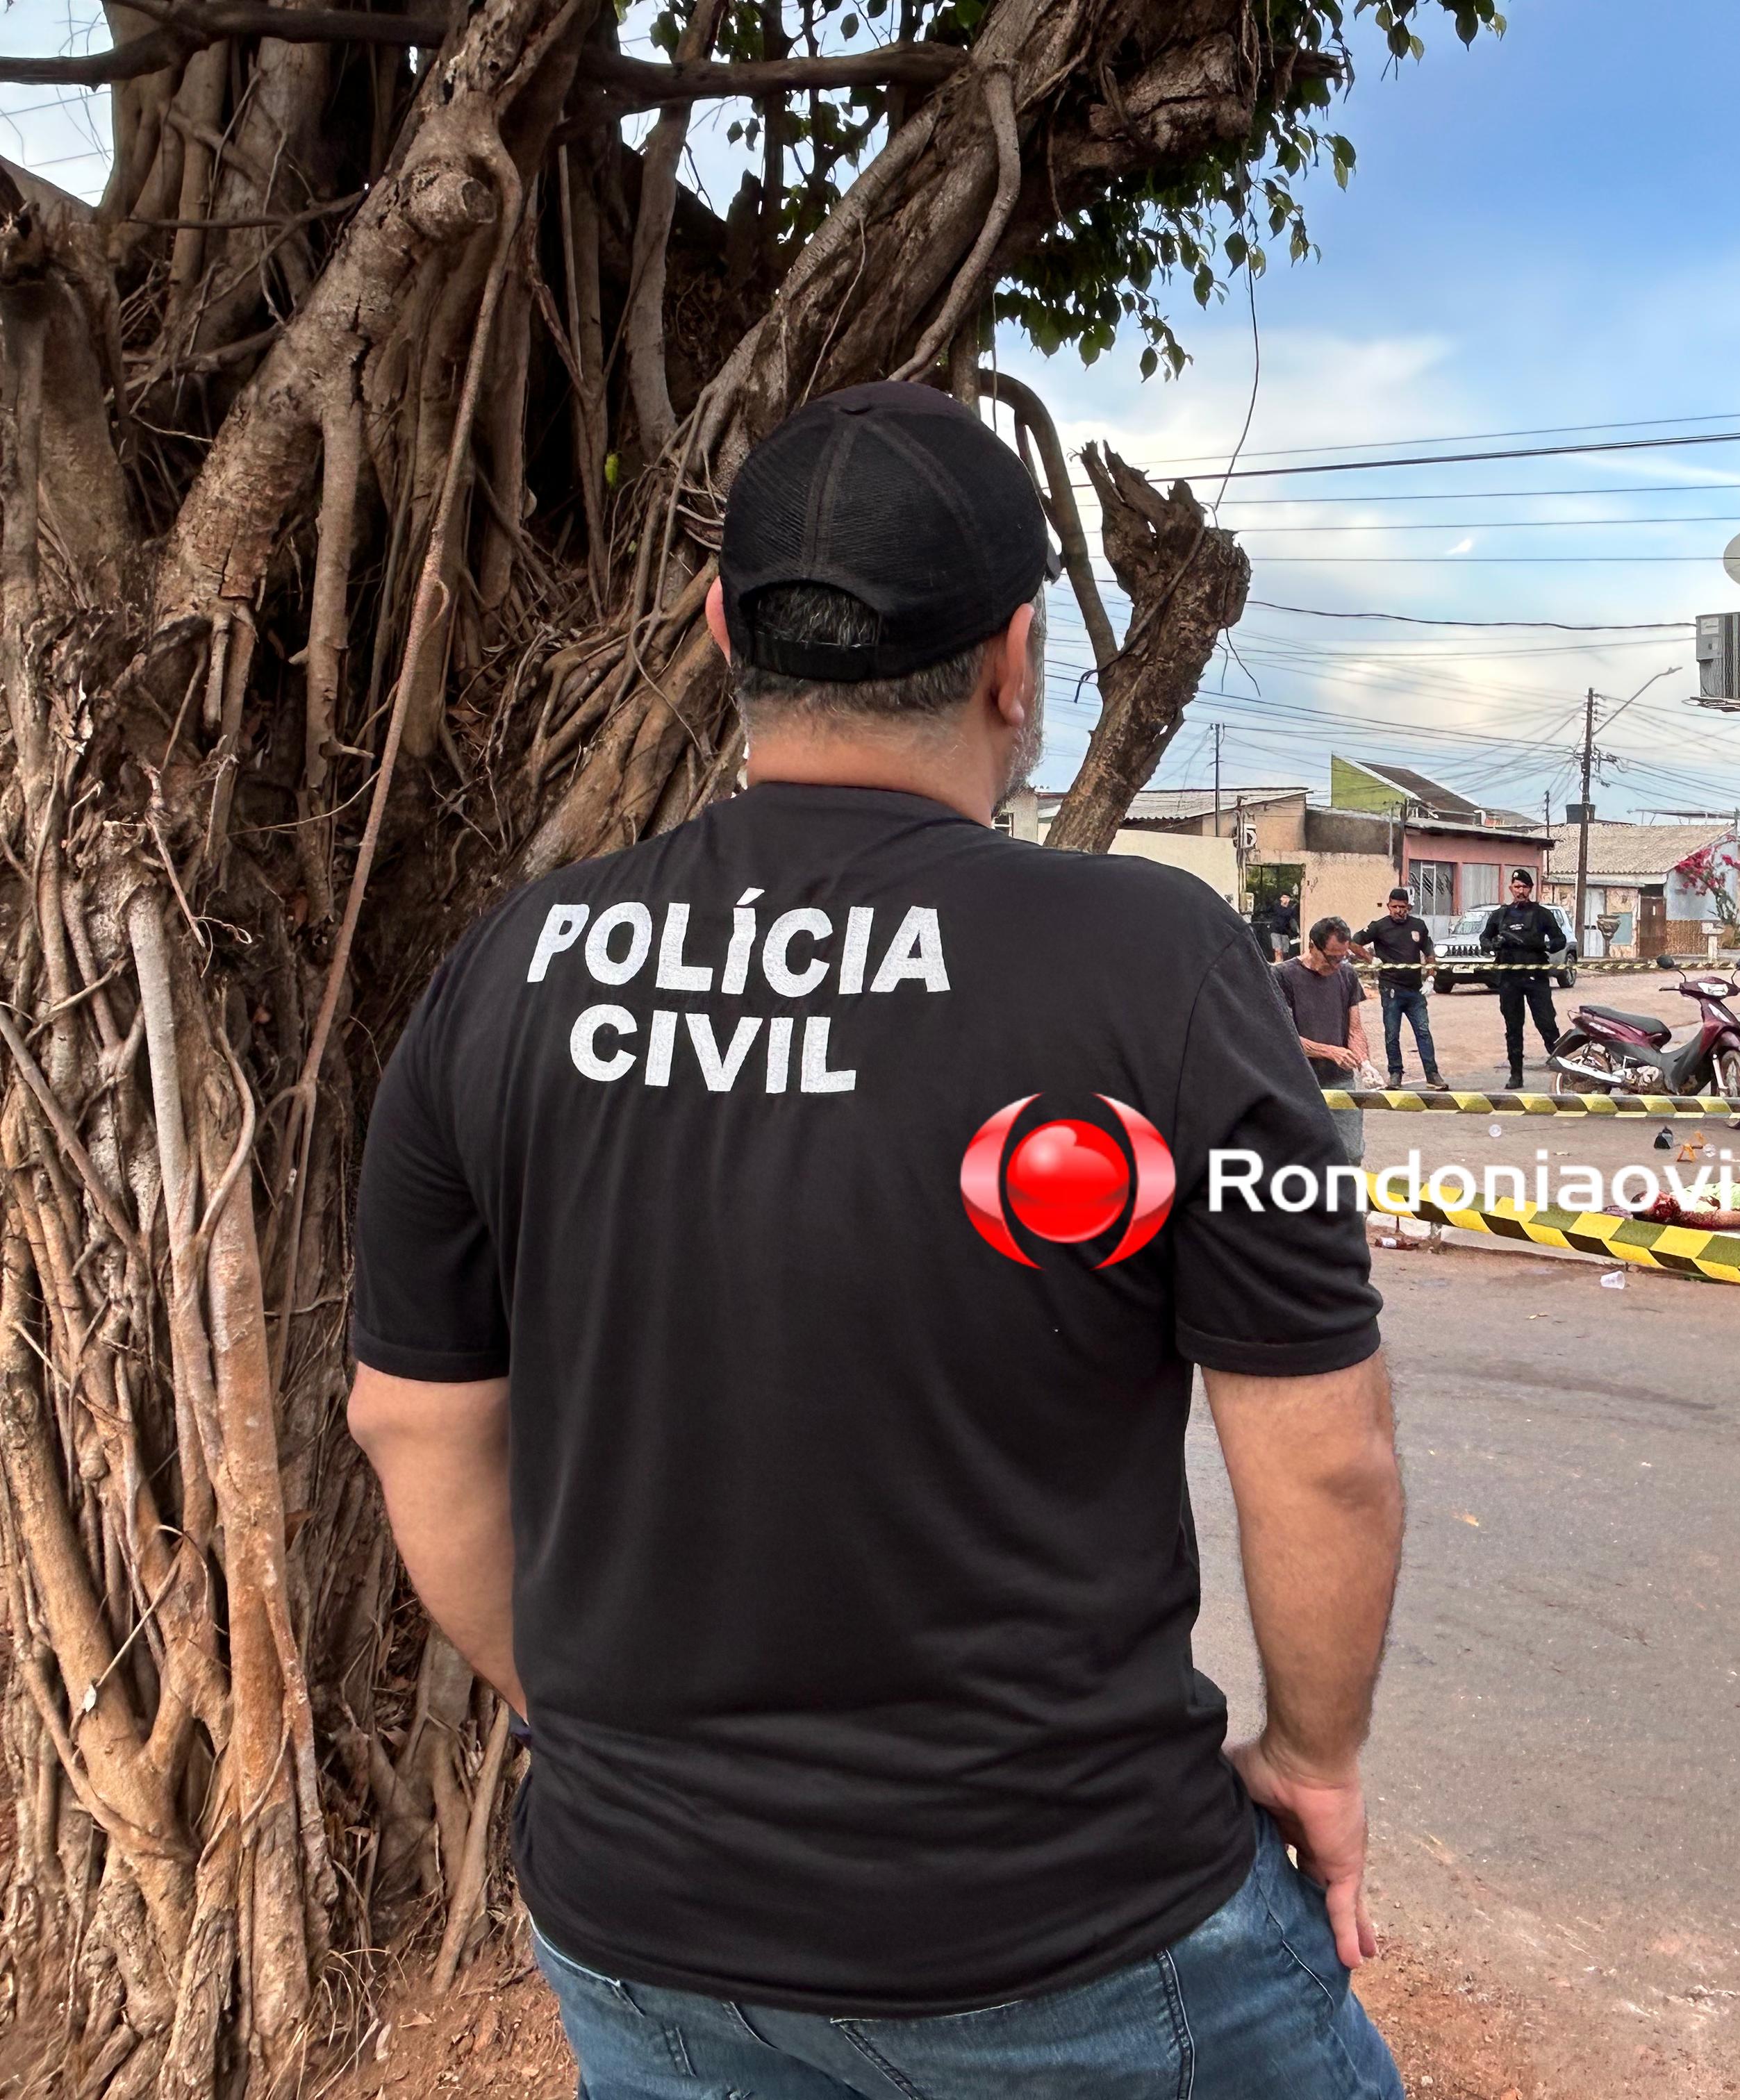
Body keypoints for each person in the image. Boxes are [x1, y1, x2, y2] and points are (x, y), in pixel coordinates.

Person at [346, 381, 1407, 2100]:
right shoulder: (1155, 958)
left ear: (719, 638)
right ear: (1017, 660)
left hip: (641, 1925)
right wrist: (1316, 1755)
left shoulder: (512, 967)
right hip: (1074, 1927)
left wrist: (599, 1727)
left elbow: (409, 1423)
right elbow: (1325, 1454)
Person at [1275, 917, 1371, 1163]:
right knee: (1301, 1155)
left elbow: (1355, 1029)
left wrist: (1365, 1063)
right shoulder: (1282, 977)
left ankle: (1346, 1200)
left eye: (1343, 957)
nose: (1338, 965)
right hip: (1299, 1082)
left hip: (1340, 1081)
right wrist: (1330, 1052)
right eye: (1332, 958)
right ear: (1312, 947)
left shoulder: (1347, 975)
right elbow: (1283, 1037)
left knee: (1351, 1152)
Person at [1479, 868, 1566, 1088]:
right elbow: (1484, 938)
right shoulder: (1501, 915)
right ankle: (1516, 1075)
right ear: (1511, 888)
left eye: (1525, 887)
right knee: (1513, 1028)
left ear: (1531, 889)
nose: (1521, 891)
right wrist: (1492, 945)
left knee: (1546, 1024)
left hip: (1536, 977)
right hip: (1510, 979)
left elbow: (1559, 939)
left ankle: (1566, 1071)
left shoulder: (1542, 914)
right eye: (1517, 887)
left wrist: (1546, 945)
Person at [1353, 888, 1443, 1088]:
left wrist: (1431, 977)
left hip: (1415, 991)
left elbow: (1429, 953)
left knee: (1423, 1032)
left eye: (1402, 907)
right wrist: (1370, 959)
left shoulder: (1418, 926)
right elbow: (1353, 942)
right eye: (1394, 907)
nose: (1398, 911)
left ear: (1408, 907)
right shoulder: (1379, 927)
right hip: (1391, 989)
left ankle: (1432, 1075)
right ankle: (1395, 1074)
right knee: (1392, 1034)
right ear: (1389, 906)